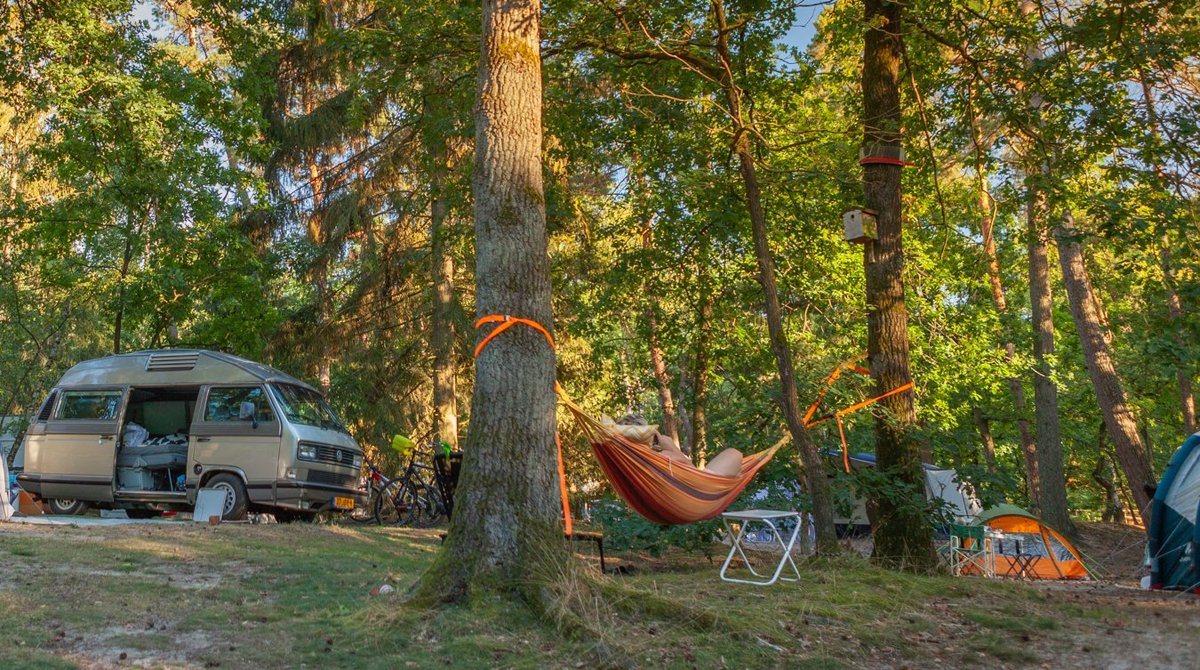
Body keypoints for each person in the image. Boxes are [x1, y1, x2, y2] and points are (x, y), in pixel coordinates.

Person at [613, 413, 743, 478]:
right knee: (734, 453)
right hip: (701, 490)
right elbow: (694, 471)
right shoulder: (662, 456)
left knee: (736, 470)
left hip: (696, 491)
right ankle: (732, 482)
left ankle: (732, 481)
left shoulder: (628, 463)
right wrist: (671, 446)